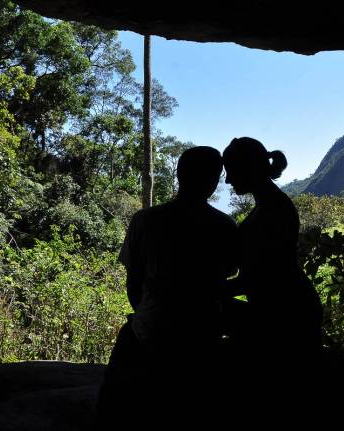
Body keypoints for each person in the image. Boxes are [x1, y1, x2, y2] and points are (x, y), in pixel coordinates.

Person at [95, 146, 237, 429]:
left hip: (151, 328)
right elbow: (225, 278)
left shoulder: (144, 221)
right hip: (201, 334)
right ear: (213, 181)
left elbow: (133, 285)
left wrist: (151, 314)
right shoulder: (224, 226)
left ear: (179, 175)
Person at [221, 137, 323, 426]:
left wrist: (207, 289)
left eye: (231, 170)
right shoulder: (270, 204)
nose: (228, 180)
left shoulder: (272, 211)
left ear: (248, 168)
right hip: (287, 308)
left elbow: (262, 277)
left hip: (284, 315)